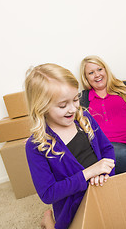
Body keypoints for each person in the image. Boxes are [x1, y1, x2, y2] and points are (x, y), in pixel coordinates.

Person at [24, 63, 115, 229]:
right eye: (62, 105)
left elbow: (108, 150)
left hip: (104, 190)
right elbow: (48, 193)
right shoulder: (35, 146)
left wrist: (105, 173)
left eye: (75, 99)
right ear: (41, 107)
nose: (73, 109)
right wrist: (88, 173)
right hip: (73, 209)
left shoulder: (84, 117)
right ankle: (49, 220)